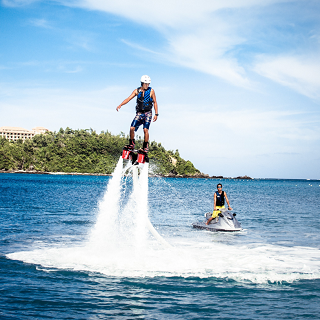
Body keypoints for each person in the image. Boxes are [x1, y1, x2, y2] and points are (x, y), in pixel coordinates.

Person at [116, 75, 158, 153]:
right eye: (146, 83)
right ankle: (132, 144)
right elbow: (128, 98)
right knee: (132, 128)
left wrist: (156, 114)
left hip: (148, 113)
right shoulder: (137, 91)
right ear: (142, 83)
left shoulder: (151, 91)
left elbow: (155, 102)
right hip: (139, 113)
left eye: (148, 83)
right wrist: (120, 105)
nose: (148, 85)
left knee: (145, 129)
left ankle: (145, 146)